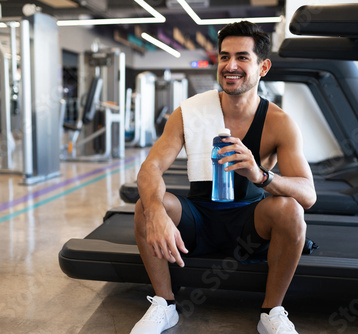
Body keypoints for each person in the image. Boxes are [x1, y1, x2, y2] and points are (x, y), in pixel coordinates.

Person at [131, 21, 316, 334]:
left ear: (263, 66)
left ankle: (272, 311)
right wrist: (156, 212)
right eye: (225, 56)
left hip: (249, 223)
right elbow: (150, 167)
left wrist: (260, 175)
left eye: (242, 57)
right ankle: (165, 304)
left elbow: (308, 194)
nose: (231, 66)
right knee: (147, 205)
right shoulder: (189, 112)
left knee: (291, 210)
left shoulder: (279, 122)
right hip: (199, 219)